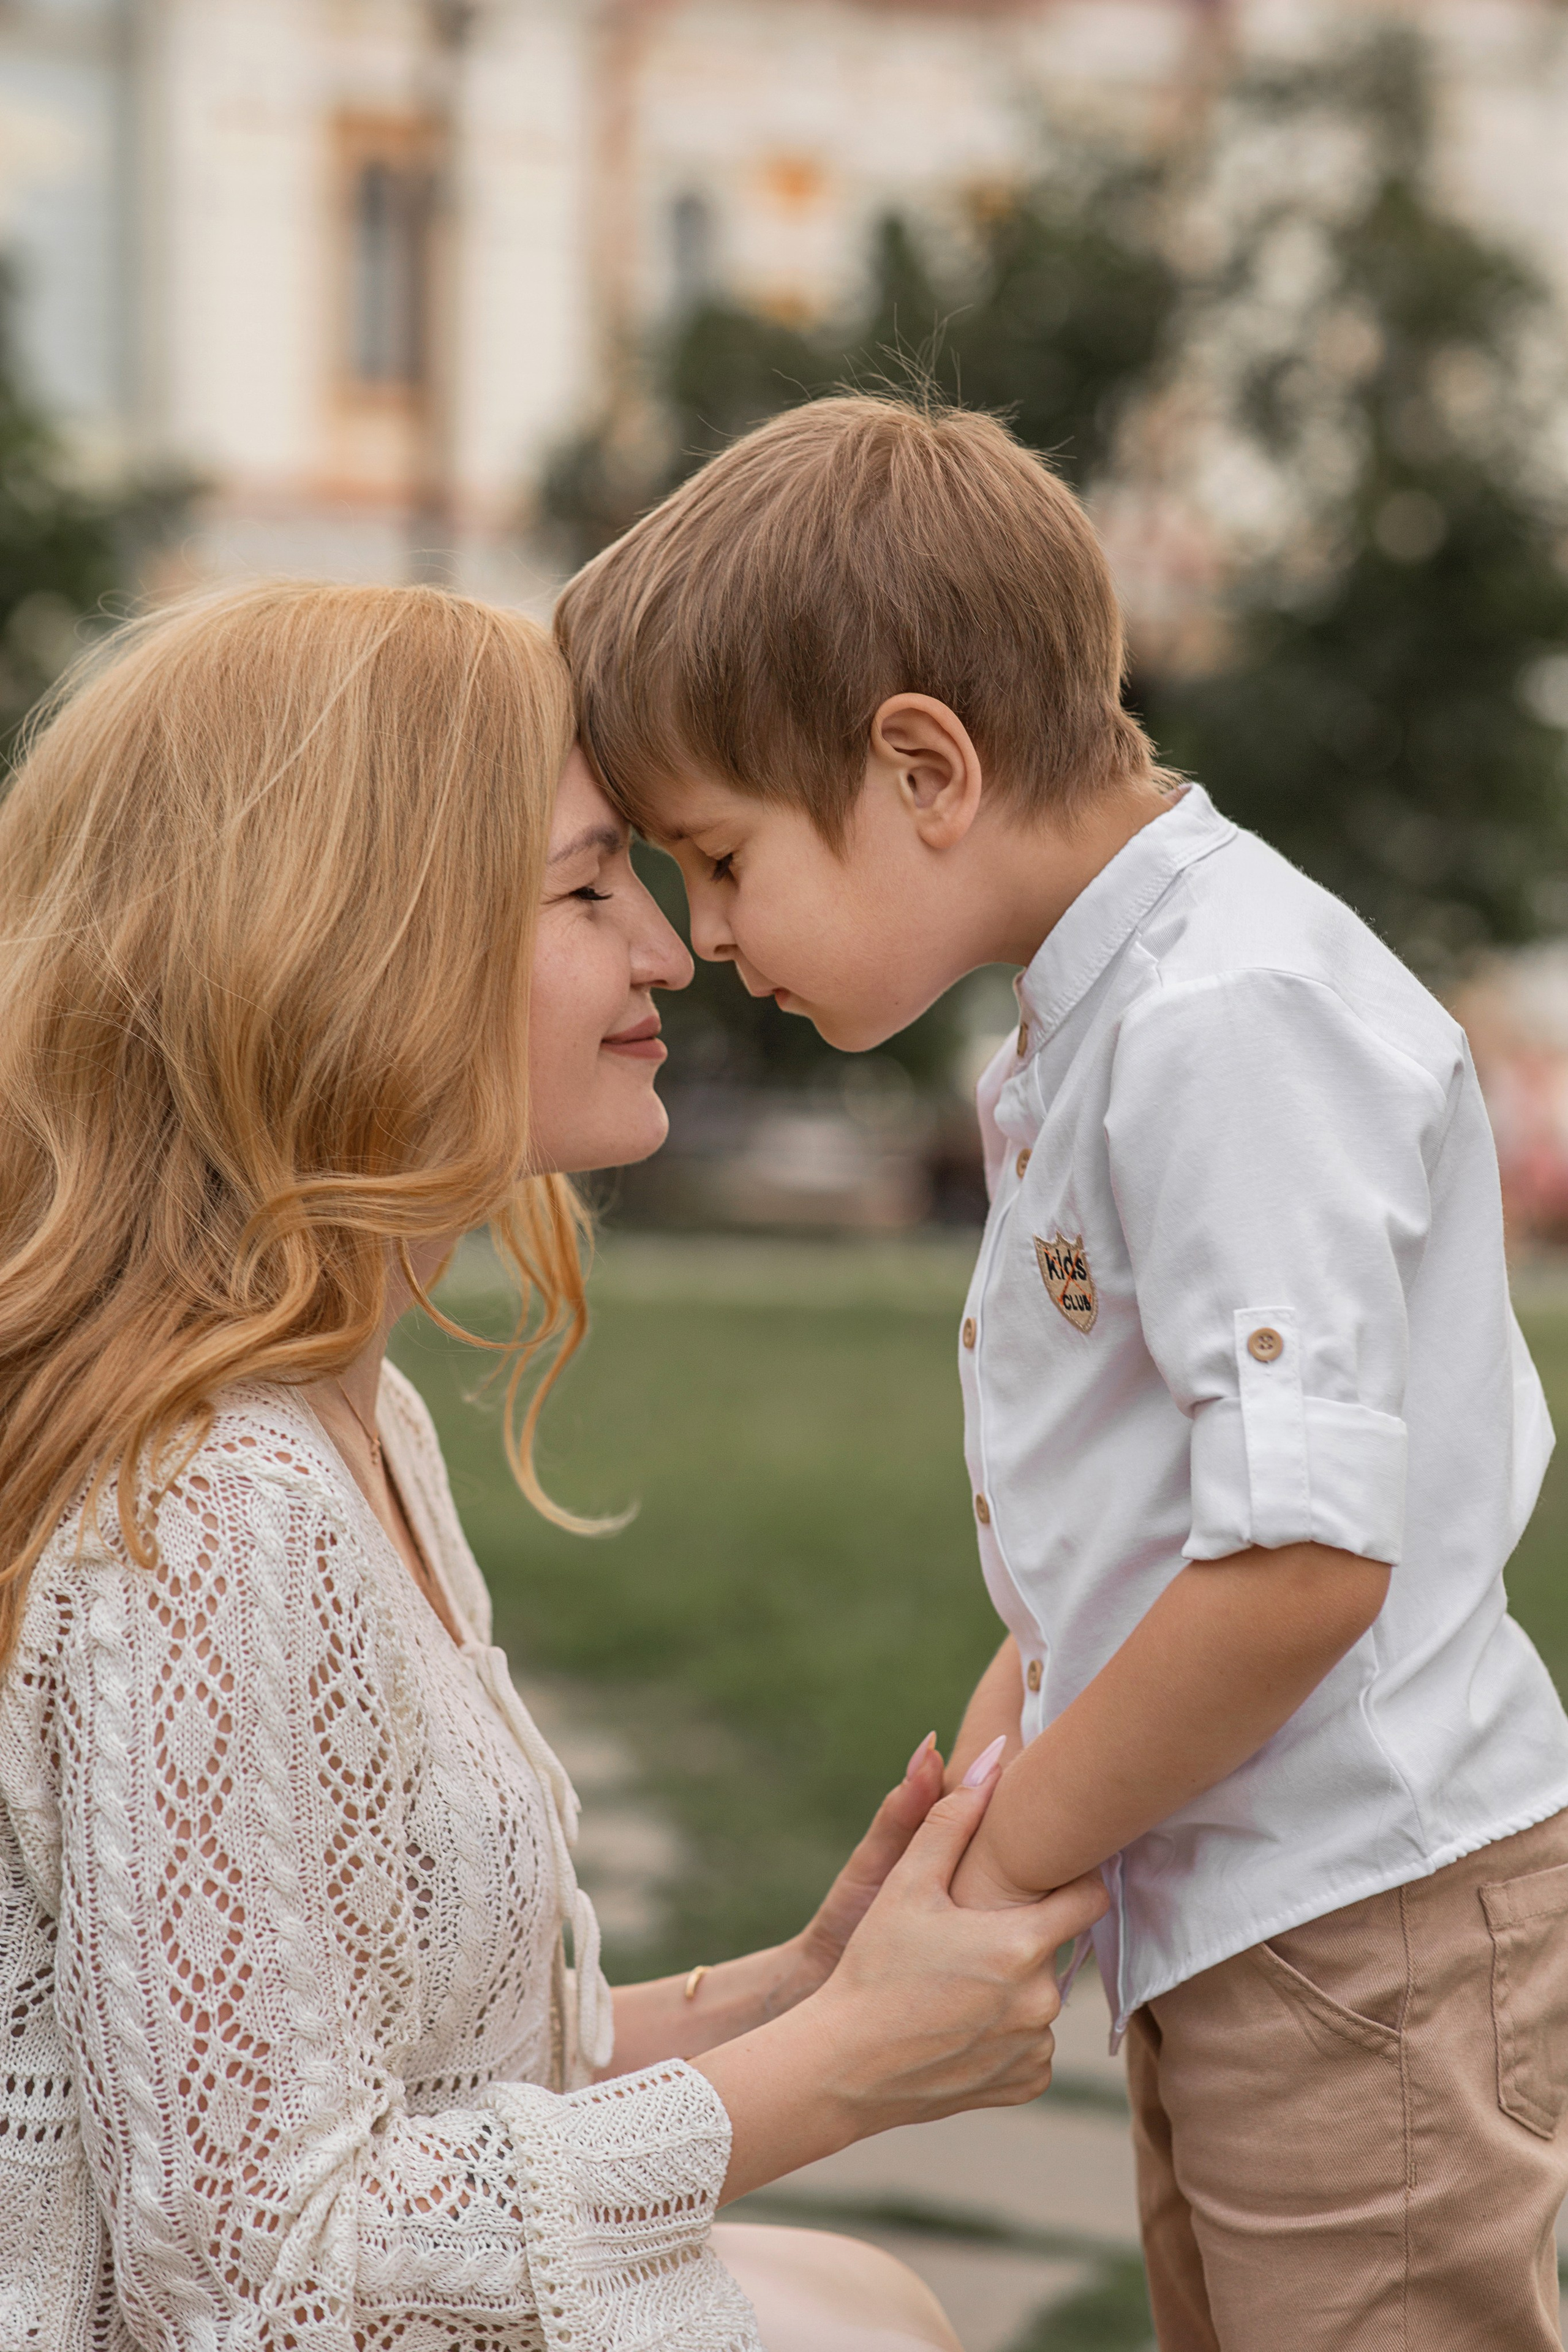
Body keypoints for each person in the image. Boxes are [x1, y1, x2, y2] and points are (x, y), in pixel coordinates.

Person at [554, 393, 1568, 2351]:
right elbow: (1142, 1522)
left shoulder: (1224, 1020)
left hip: (1368, 1908)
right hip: (1260, 1900)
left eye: (720, 857)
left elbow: (1299, 1562)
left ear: (923, 767)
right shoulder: (1104, 1019)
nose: (708, 934)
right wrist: (986, 1791)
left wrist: (1008, 1866)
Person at [0, 579, 1109, 2352]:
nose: (670, 948)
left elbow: (413, 2084)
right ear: (353, 946)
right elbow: (256, 2285)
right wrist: (841, 2066)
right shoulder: (208, 1512)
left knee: (865, 2304)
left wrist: (796, 1987)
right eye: (589, 889)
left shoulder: (356, 1431)